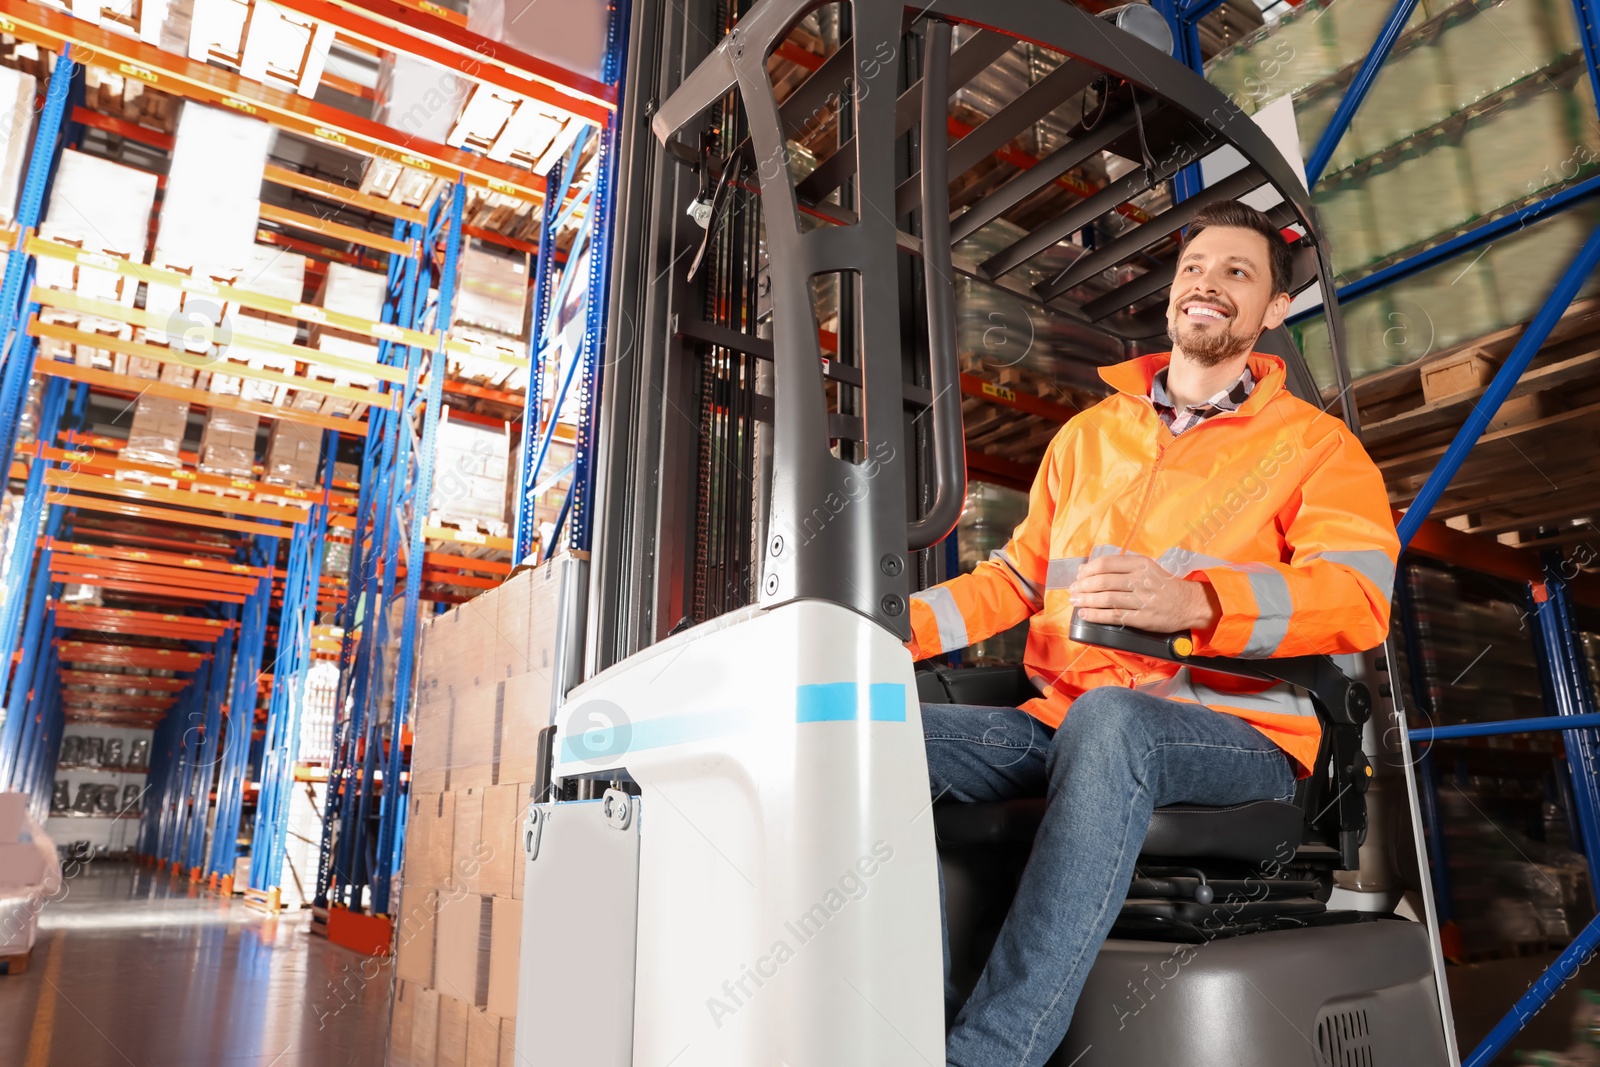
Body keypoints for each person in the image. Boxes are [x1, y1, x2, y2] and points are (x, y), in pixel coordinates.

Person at [905, 198, 1399, 1067]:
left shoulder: (1317, 449)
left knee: (1114, 725)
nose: (1208, 284)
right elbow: (1015, 579)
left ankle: (986, 1055)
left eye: (1238, 273)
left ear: (1274, 312)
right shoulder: (1088, 438)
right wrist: (872, 638)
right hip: (1064, 718)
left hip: (1239, 734)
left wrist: (1201, 605)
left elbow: (1356, 597)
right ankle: (890, 1022)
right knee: (869, 729)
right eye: (1195, 269)